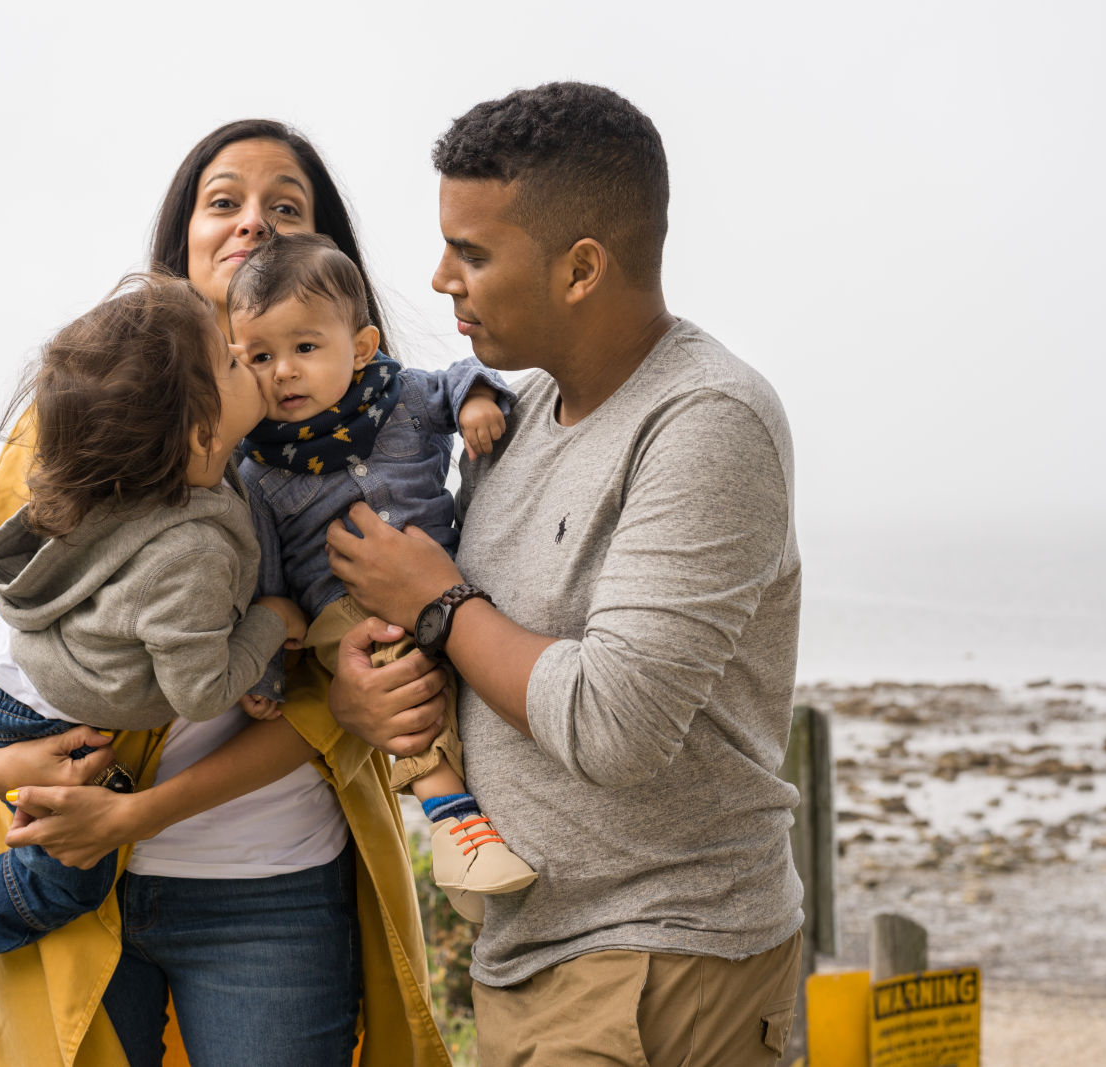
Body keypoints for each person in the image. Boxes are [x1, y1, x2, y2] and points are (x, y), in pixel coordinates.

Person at [0, 121, 452, 1066]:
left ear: (329, 262)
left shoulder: (376, 447)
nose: (254, 224)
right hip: (67, 866)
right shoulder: (85, 413)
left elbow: (358, 667)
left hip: (274, 883)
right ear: (182, 241)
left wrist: (346, 700)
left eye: (286, 207)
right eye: (224, 201)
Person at [325, 82, 805, 1066]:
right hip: (528, 958)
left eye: (471, 252)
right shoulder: (514, 416)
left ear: (582, 267)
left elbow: (613, 722)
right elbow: (481, 657)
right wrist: (369, 689)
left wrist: (436, 602)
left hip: (662, 958)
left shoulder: (707, 421)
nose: (441, 278)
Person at [0, 272, 323, 1036]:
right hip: (47, 712)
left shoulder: (116, 453)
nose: (247, 359)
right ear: (200, 437)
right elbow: (197, 686)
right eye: (230, 359)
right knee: (70, 878)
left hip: (6, 662)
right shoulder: (193, 548)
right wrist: (270, 623)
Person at [229, 231, 536, 909]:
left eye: (305, 347)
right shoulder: (257, 469)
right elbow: (267, 585)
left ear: (361, 347)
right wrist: (266, 670)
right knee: (397, 668)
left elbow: (459, 377)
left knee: (487, 652)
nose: (283, 372)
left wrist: (476, 401)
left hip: (445, 576)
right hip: (347, 612)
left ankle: (491, 823)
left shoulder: (399, 396)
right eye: (260, 356)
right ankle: (452, 820)